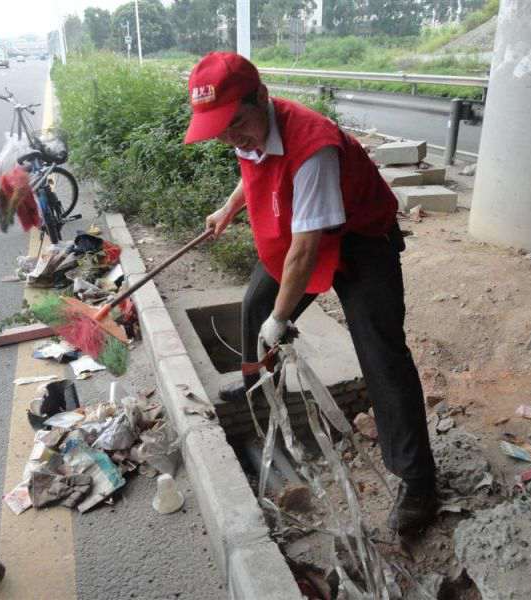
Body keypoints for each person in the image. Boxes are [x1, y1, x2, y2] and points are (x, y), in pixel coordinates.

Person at [184, 52, 437, 534]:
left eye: (234, 121)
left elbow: (305, 251)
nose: (230, 135)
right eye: (220, 128)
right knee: (255, 303)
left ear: (261, 97)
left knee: (381, 354)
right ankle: (262, 382)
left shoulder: (314, 145)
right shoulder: (250, 129)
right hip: (304, 232)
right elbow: (252, 167)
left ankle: (418, 483)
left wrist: (283, 320)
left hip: (362, 240)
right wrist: (227, 208)